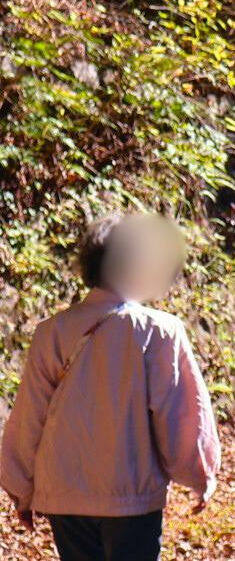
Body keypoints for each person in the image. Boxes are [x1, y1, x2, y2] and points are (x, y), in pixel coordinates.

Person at [1, 212, 220, 561]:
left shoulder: (52, 332)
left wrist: (21, 488)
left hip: (65, 493)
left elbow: (30, 416)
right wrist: (199, 474)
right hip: (131, 496)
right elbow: (178, 414)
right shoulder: (159, 331)